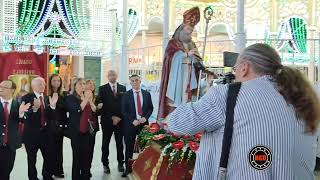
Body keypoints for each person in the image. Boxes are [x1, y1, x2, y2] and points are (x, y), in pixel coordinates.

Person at [168, 43, 320, 180]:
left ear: (244, 68)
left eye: (235, 70)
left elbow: (176, 123)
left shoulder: (228, 95)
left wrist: (198, 97)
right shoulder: (300, 98)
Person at [158, 6, 201, 120]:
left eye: (191, 31)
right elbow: (170, 57)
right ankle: (172, 118)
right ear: (181, 29)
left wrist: (197, 60)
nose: (189, 33)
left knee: (186, 97)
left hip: (189, 75)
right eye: (188, 29)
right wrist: (186, 55)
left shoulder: (192, 44)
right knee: (177, 98)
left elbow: (198, 60)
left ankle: (185, 119)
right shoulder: (173, 43)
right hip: (176, 77)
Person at [21, 77, 57, 180]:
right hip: (31, 135)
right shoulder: (26, 98)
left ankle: (47, 175)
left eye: (44, 84)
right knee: (32, 159)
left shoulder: (46, 98)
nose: (43, 86)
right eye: (40, 84)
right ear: (33, 86)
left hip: (46, 134)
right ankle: (32, 177)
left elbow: (50, 116)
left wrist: (53, 107)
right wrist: (35, 109)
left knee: (48, 156)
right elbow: (24, 116)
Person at [122, 74, 153, 177]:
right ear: (130, 83)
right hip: (130, 125)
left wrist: (145, 117)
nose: (135, 82)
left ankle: (144, 170)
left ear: (140, 81)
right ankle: (128, 169)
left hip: (143, 124)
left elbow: (150, 108)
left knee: (145, 148)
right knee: (129, 148)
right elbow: (124, 111)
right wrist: (132, 120)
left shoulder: (147, 94)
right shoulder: (126, 95)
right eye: (133, 81)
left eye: (137, 80)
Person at [65, 78, 97, 180]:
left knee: (87, 157)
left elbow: (94, 111)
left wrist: (90, 101)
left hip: (88, 131)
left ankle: (86, 177)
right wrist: (86, 99)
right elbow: (77, 110)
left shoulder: (87, 96)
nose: (83, 85)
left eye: (84, 84)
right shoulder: (70, 98)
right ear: (75, 86)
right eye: (80, 84)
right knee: (77, 158)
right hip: (76, 132)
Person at [0, 80, 30, 180]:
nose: (1, 89)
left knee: (6, 172)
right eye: (0, 86)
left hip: (10, 145)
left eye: (5, 87)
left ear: (12, 90)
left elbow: (22, 121)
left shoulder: (18, 105)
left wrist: (21, 114)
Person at [98, 70, 126, 174]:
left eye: (114, 74)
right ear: (107, 76)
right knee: (105, 143)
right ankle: (105, 164)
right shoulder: (102, 89)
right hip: (107, 121)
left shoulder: (123, 88)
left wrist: (119, 117)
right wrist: (112, 117)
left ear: (116, 76)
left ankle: (120, 163)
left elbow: (124, 105)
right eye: (110, 75)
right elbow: (101, 106)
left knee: (120, 143)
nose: (112, 76)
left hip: (120, 121)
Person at [47, 74, 67, 178]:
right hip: (49, 126)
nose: (56, 83)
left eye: (58, 81)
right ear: (50, 82)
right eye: (54, 80)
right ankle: (49, 171)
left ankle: (59, 170)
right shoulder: (46, 94)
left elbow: (65, 109)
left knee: (59, 149)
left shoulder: (63, 95)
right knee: (50, 150)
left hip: (60, 126)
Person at [85, 79, 100, 176]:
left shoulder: (97, 97)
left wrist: (90, 101)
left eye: (92, 85)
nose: (91, 86)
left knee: (90, 149)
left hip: (92, 127)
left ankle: (88, 169)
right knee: (82, 149)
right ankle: (82, 167)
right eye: (88, 84)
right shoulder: (80, 96)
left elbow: (97, 111)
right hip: (82, 127)